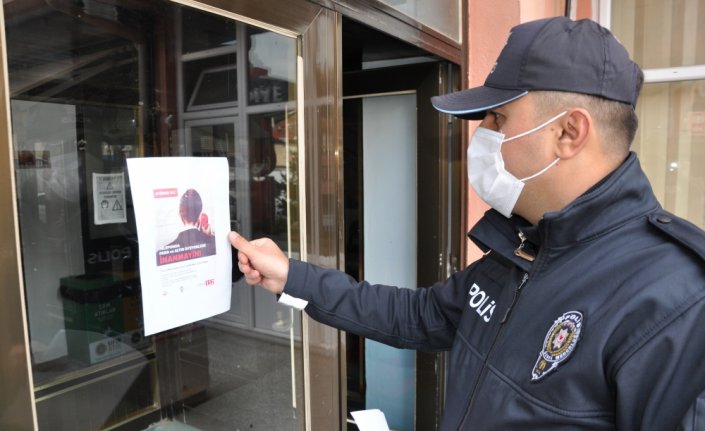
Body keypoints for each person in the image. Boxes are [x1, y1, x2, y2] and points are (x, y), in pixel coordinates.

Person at [229, 17, 705, 430]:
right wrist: (293, 276)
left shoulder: (676, 301)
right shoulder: (526, 245)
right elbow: (419, 316)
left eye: (498, 118)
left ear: (569, 132)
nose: (482, 138)